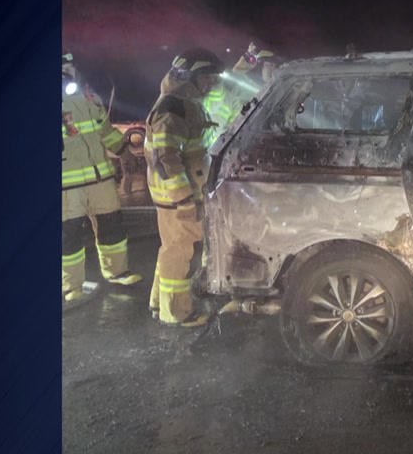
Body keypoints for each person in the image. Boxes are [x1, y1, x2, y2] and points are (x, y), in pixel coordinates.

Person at [145, 47, 224, 326]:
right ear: (189, 77)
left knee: (173, 248)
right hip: (178, 197)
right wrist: (184, 200)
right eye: (206, 78)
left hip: (183, 193)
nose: (211, 84)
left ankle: (160, 303)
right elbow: (166, 159)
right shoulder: (173, 108)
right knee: (182, 252)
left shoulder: (185, 102)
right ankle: (177, 313)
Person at [62, 50, 141, 302]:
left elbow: (105, 131)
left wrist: (124, 151)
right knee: (70, 235)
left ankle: (117, 272)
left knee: (112, 225)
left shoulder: (90, 97)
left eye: (71, 66)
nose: (70, 71)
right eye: (64, 67)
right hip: (66, 183)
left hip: (101, 177)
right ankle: (71, 285)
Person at [201, 39, 280, 149]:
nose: (273, 68)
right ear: (261, 67)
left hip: (247, 144)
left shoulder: (276, 92)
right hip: (224, 143)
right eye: (269, 64)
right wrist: (248, 56)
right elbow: (237, 71)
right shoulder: (244, 84)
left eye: (274, 65)